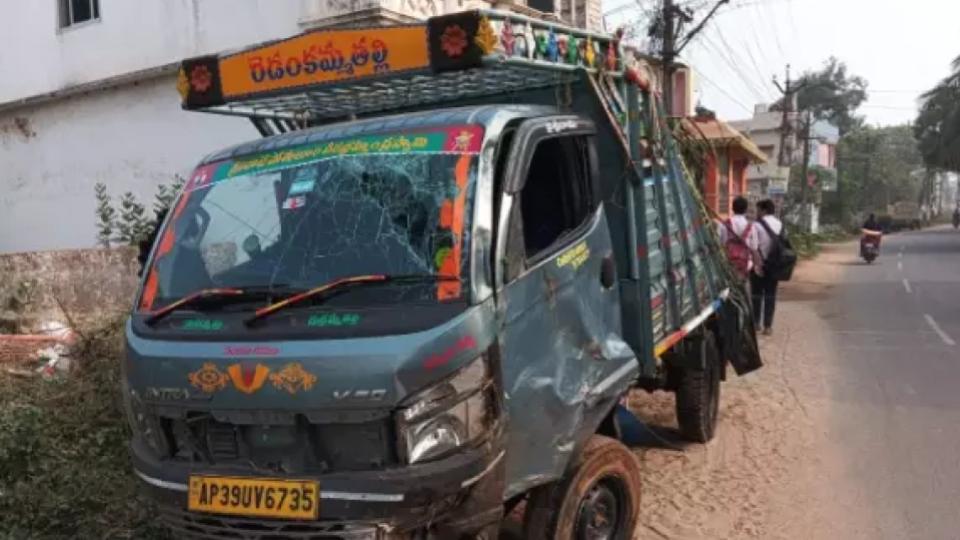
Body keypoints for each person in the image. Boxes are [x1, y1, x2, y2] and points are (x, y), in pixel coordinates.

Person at [752, 199, 783, 336]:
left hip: (759, 264)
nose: (756, 212)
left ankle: (756, 323)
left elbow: (753, 247)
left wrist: (757, 264)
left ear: (763, 210)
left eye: (758, 209)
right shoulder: (779, 224)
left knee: (757, 295)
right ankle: (768, 326)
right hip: (775, 264)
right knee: (771, 295)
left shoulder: (756, 225)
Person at [718, 196, 760, 282]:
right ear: (746, 209)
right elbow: (754, 248)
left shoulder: (723, 224)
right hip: (746, 264)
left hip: (728, 262)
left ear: (732, 208)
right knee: (745, 285)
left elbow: (719, 243)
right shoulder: (751, 227)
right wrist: (757, 265)